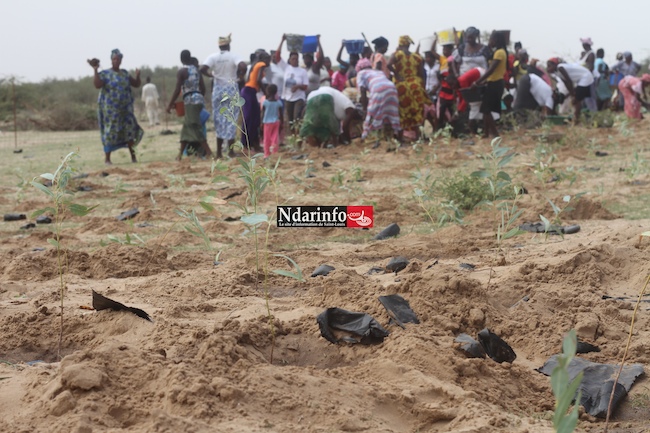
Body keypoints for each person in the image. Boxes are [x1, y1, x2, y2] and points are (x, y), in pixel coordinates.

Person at [90, 49, 143, 165]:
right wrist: (95, 70)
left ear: (121, 60)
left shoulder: (124, 73)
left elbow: (136, 84)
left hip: (126, 110)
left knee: (129, 132)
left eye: (118, 59)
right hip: (111, 111)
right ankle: (107, 159)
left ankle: (133, 157)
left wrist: (138, 76)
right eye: (114, 59)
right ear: (111, 60)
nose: (116, 61)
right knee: (110, 133)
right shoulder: (105, 74)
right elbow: (97, 85)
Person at [201, 34, 247, 158]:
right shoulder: (233, 56)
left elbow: (203, 69)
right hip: (231, 88)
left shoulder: (213, 57)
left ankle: (219, 153)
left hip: (218, 90)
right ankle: (231, 151)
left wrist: (212, 75)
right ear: (229, 45)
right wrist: (241, 77)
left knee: (219, 119)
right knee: (231, 119)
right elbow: (243, 66)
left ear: (219, 45)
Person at [166, 50, 213, 161]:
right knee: (187, 128)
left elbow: (177, 89)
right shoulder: (196, 71)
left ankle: (209, 152)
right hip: (198, 100)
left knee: (195, 126)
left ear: (181, 59)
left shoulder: (182, 71)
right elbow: (203, 88)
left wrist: (170, 104)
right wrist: (198, 97)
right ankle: (180, 155)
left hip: (190, 101)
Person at [388, 35, 428, 139]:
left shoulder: (397, 55)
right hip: (416, 85)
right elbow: (421, 74)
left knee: (402, 112)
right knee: (417, 111)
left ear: (400, 44)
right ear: (409, 44)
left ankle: (400, 139)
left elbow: (389, 64)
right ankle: (418, 137)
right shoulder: (417, 57)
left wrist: (396, 75)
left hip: (402, 86)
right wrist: (422, 86)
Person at [453, 27, 491, 132]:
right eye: (467, 37)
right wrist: (456, 74)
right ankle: (465, 127)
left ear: (476, 37)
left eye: (471, 37)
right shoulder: (461, 48)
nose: (469, 40)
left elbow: (490, 64)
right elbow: (454, 61)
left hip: (481, 78)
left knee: (479, 103)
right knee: (469, 102)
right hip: (464, 79)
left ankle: (481, 127)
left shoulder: (484, 49)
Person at [356, 59, 401, 141]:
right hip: (392, 88)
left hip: (378, 89)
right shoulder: (379, 71)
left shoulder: (361, 73)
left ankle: (366, 137)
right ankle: (393, 135)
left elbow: (362, 91)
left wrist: (365, 109)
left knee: (372, 114)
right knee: (391, 112)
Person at [475, 31, 508, 138]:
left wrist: (478, 81)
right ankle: (486, 133)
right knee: (485, 110)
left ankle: (495, 133)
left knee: (486, 109)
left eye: (491, 39)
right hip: (493, 82)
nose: (490, 42)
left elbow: (491, 69)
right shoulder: (498, 52)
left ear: (496, 40)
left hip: (496, 82)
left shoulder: (499, 53)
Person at [546, 58, 594, 124]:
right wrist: (572, 93)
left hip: (585, 77)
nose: (548, 68)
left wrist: (572, 94)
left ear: (555, 65)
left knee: (576, 100)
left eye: (549, 66)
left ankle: (576, 119)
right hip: (580, 80)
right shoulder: (557, 72)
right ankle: (577, 118)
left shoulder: (560, 68)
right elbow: (565, 83)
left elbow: (569, 81)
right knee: (576, 100)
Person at [278, 35, 309, 135]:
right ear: (290, 60)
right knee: (290, 120)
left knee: (297, 118)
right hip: (288, 98)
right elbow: (277, 55)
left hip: (298, 98)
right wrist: (282, 41)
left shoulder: (302, 71)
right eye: (293, 59)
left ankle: (298, 138)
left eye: (296, 59)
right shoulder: (286, 68)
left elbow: (305, 86)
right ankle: (293, 138)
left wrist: (297, 86)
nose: (295, 60)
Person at [240, 51, 269, 152]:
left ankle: (254, 143)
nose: (269, 62)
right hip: (249, 91)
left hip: (250, 91)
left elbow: (249, 79)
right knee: (248, 118)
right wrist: (266, 93)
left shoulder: (255, 65)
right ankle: (245, 144)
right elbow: (258, 80)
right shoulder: (261, 64)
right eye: (268, 59)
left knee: (255, 118)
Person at [261, 84, 283, 158]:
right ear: (276, 92)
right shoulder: (278, 102)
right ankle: (274, 153)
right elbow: (281, 114)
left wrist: (261, 123)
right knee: (275, 138)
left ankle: (267, 154)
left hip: (267, 122)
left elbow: (263, 114)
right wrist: (282, 123)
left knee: (267, 138)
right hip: (276, 122)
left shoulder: (265, 102)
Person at [579, 37, 598, 111]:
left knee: (590, 96)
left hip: (589, 78)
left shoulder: (591, 54)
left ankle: (593, 112)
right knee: (585, 97)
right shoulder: (585, 54)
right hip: (584, 78)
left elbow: (591, 67)